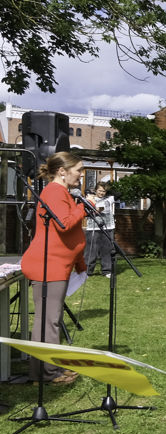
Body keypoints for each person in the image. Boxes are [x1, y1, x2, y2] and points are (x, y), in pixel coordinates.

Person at [20, 152, 87, 385]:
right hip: (48, 266)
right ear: (62, 171)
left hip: (58, 264)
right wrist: (83, 208)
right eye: (78, 169)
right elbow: (64, 224)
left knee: (50, 319)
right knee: (48, 321)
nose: (81, 174)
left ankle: (47, 370)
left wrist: (79, 261)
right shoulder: (55, 192)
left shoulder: (60, 192)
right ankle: (46, 374)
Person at [83, 182, 115, 277]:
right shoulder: (89, 199)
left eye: (104, 191)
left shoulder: (109, 198)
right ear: (95, 190)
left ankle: (106, 271)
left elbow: (118, 193)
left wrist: (108, 188)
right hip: (93, 227)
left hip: (108, 227)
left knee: (107, 249)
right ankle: (87, 272)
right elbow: (85, 211)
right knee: (91, 250)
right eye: (100, 190)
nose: (101, 193)